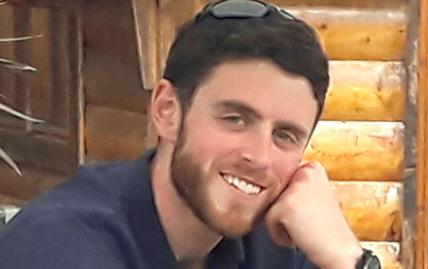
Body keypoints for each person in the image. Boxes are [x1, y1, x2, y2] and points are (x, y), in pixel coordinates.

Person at [0, 0, 381, 268]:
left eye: (285, 135)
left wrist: (346, 259)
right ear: (167, 111)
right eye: (235, 119)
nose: (259, 157)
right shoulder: (60, 247)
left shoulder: (273, 240)